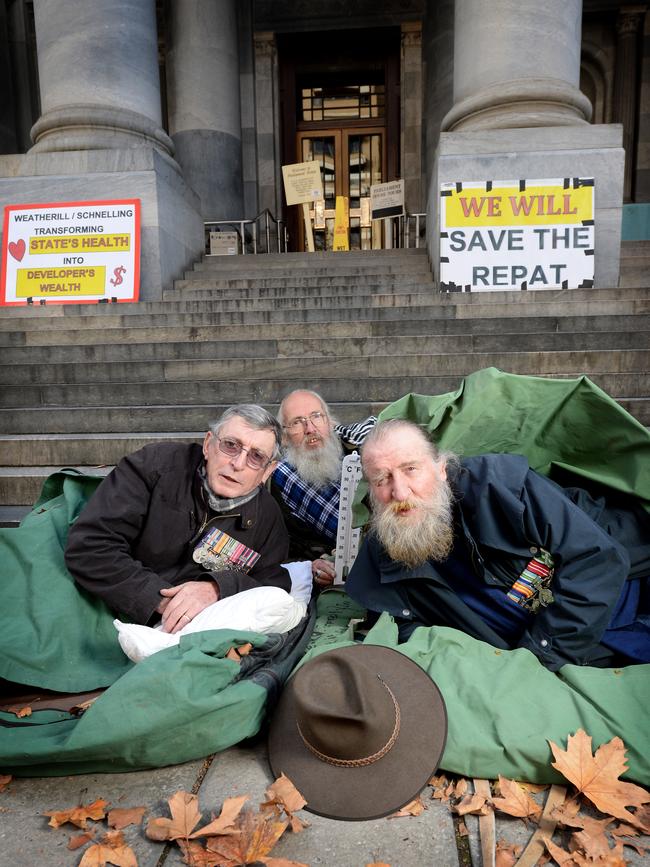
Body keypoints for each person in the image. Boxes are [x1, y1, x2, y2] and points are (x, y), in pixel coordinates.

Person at [346, 419, 650, 671]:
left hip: (628, 590)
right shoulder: (381, 559)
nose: (399, 491)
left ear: (441, 468)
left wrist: (537, 661)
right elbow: (406, 633)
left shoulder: (500, 487)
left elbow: (596, 558)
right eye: (382, 479)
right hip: (573, 652)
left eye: (410, 469)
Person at [65, 404, 291, 633]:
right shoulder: (154, 466)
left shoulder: (268, 518)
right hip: (108, 606)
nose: (238, 464)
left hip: (191, 630)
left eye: (256, 457)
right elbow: (91, 545)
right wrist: (163, 600)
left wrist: (216, 588)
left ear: (268, 471)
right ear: (208, 445)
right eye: (231, 445)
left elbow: (273, 588)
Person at [270, 389, 375, 587]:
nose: (310, 429)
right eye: (297, 422)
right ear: (283, 437)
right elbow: (279, 551)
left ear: (330, 422)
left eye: (316, 416)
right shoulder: (277, 479)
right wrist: (311, 566)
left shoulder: (353, 442)